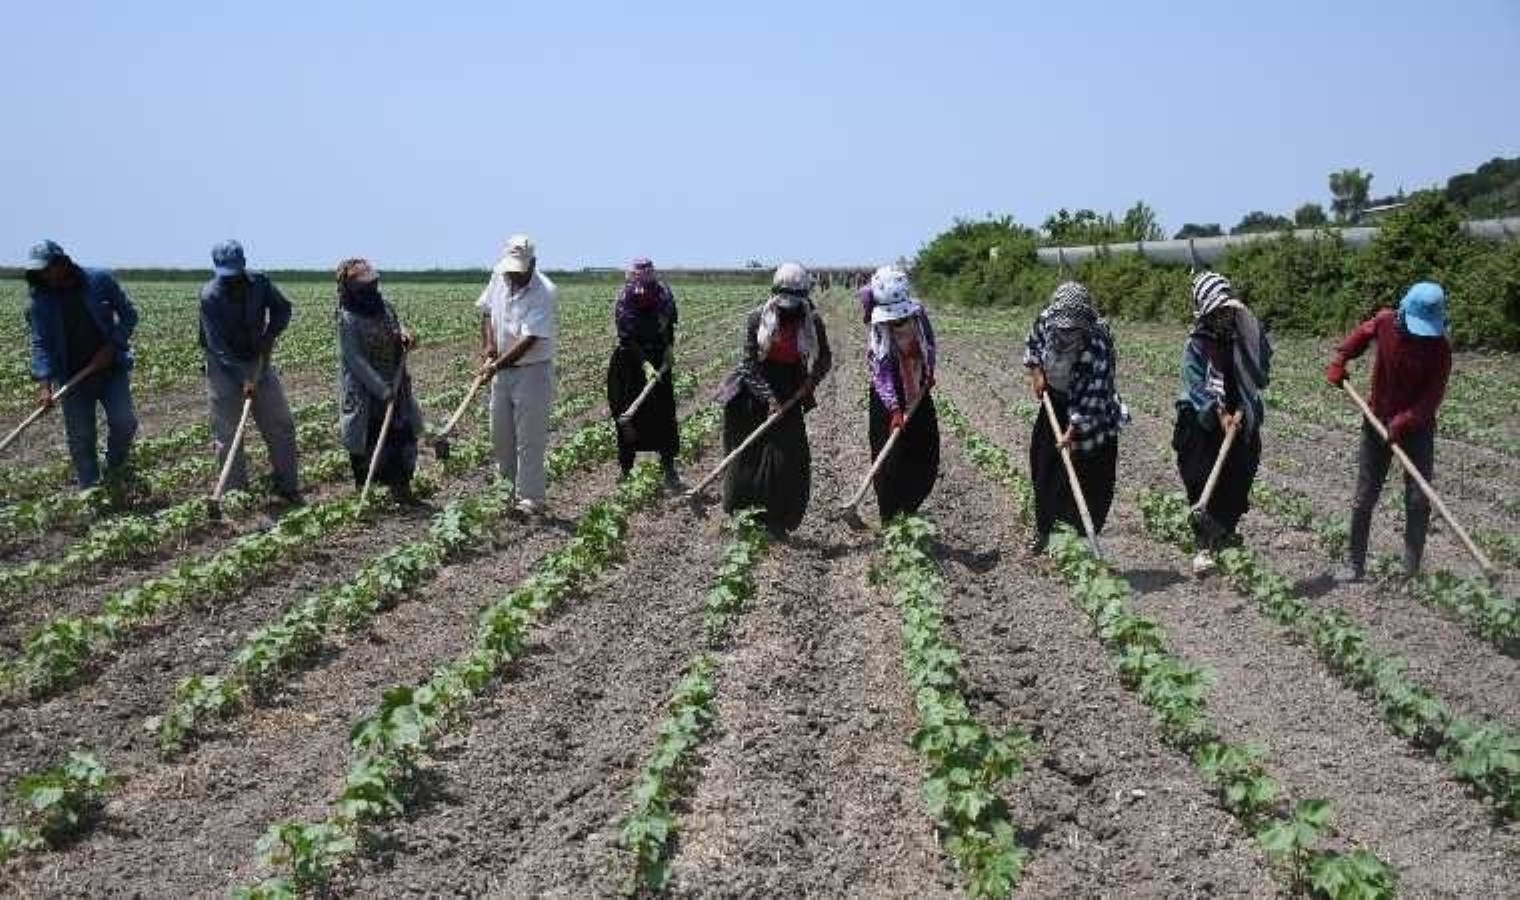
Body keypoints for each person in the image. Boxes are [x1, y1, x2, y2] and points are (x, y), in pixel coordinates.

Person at [1325, 281, 1452, 581]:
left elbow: (1431, 399)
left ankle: (1410, 569)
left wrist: (1404, 421)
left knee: (1418, 498)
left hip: (1417, 428)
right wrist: (1341, 358)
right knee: (1364, 495)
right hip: (1377, 420)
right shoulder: (1385, 322)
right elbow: (1361, 335)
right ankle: (1354, 565)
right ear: (1404, 311)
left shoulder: (1440, 350)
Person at [716, 262, 833, 537]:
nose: (788, 312)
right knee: (748, 454)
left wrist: (810, 381)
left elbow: (824, 358)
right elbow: (748, 364)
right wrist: (769, 399)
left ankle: (777, 520)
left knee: (787, 457)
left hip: (791, 387)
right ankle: (744, 517)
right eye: (784, 307)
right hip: (752, 389)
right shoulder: (758, 318)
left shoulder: (812, 321)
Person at [1174, 272, 1273, 575]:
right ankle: (1203, 545)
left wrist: (1242, 402)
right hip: (1201, 421)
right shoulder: (1197, 345)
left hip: (1240, 412)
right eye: (1217, 312)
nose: (1224, 316)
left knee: (1239, 472)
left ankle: (1224, 534)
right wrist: (1220, 414)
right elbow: (1195, 384)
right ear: (1205, 313)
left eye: (1227, 310)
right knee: (1202, 477)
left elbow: (1260, 370)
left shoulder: (1246, 336)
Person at [23, 240, 140, 489]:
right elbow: (41, 344)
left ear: (62, 263)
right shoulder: (39, 301)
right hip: (72, 377)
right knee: (81, 438)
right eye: (40, 272)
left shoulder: (99, 280)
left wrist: (112, 346)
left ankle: (114, 471)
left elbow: (129, 315)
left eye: (48, 269)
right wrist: (45, 385)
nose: (45, 276)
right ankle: (89, 491)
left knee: (124, 422)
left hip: (110, 369)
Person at [1022, 281, 1125, 555]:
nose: (1066, 332)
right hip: (1055, 402)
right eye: (1062, 327)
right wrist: (1037, 373)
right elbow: (1033, 345)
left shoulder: (1096, 344)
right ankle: (1044, 531)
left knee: (1089, 476)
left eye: (1072, 328)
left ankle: (1082, 543)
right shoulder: (1046, 321)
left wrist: (1072, 431)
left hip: (1093, 412)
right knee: (1045, 467)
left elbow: (1093, 394)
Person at [198, 240, 302, 504]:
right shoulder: (210, 296)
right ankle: (235, 496)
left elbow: (283, 309)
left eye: (235, 272)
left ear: (243, 264)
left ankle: (287, 487)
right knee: (228, 433)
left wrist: (269, 336)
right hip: (222, 367)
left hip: (257, 360)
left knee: (280, 424)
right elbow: (216, 346)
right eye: (225, 274)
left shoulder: (260, 283)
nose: (231, 279)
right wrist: (242, 379)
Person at [476, 234, 557, 516]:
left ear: (533, 264)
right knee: (501, 437)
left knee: (529, 439)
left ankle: (531, 498)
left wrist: (495, 366)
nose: (513, 276)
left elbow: (528, 340)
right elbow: (487, 312)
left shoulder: (545, 291)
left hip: (532, 372)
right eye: (510, 270)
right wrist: (489, 347)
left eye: (519, 271)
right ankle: (505, 494)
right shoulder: (499, 277)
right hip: (502, 370)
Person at [336, 259, 423, 505]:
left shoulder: (384, 307)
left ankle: (402, 489)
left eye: (373, 283)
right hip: (365, 392)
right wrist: (382, 391)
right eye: (365, 286)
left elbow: (397, 327)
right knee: (369, 441)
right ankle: (367, 495)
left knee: (401, 438)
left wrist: (405, 335)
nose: (371, 289)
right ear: (352, 289)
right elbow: (355, 360)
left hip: (395, 383)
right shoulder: (347, 318)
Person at [863, 267, 940, 520]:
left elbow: (929, 344)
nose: (895, 321)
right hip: (887, 396)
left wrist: (928, 372)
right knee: (890, 460)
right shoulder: (878, 327)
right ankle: (890, 516)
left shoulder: (918, 314)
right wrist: (895, 409)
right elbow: (881, 372)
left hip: (917, 389)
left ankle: (910, 509)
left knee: (925, 451)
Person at [606, 257, 681, 487]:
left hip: (658, 357)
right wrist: (644, 364)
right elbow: (627, 337)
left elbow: (669, 326)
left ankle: (669, 468)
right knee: (626, 415)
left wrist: (668, 348)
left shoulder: (663, 294)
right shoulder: (624, 298)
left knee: (663, 413)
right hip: (629, 361)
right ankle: (626, 469)